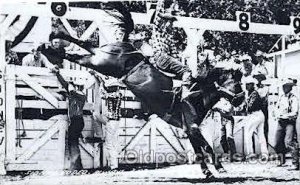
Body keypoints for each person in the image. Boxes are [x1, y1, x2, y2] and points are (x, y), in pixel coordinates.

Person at [51, 66, 86, 170]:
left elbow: (68, 87)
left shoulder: (77, 94)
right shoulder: (80, 94)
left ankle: (76, 166)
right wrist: (58, 74)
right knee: (73, 142)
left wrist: (61, 76)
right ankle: (77, 165)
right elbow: (67, 86)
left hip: (76, 121)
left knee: (72, 142)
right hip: (78, 121)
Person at [274, 79, 299, 170]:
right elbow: (276, 108)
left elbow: (295, 112)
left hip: (289, 123)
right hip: (281, 122)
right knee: (277, 143)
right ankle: (281, 160)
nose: (284, 88)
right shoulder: (281, 97)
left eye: (286, 86)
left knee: (289, 142)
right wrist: (276, 114)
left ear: (290, 87)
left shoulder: (293, 98)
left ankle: (295, 163)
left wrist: (284, 115)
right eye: (283, 86)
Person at [241, 76, 268, 159]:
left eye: (248, 84)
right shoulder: (252, 94)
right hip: (258, 115)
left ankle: (250, 154)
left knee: (247, 133)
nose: (246, 86)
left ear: (253, 85)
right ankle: (264, 154)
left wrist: (244, 106)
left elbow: (250, 107)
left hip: (255, 114)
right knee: (261, 135)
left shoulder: (254, 93)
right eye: (246, 84)